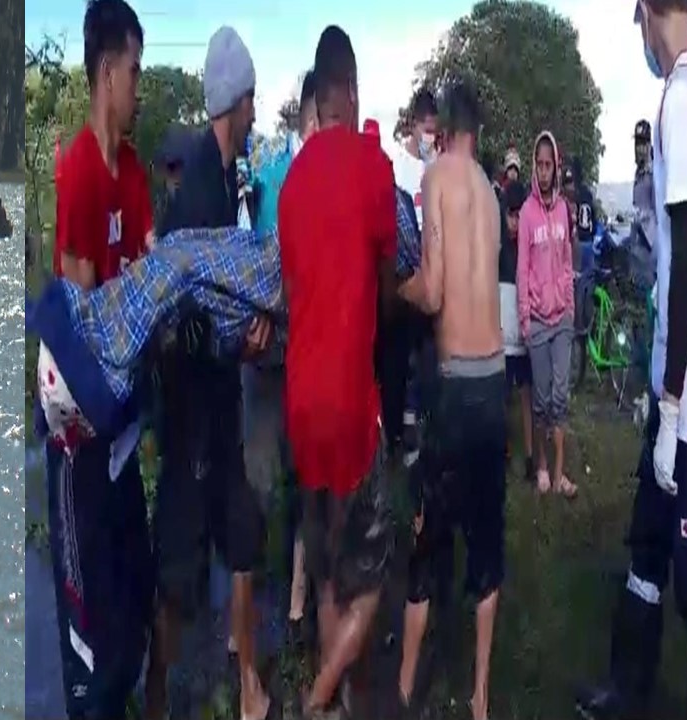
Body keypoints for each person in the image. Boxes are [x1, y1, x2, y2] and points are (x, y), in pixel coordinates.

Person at [577, 2, 687, 717]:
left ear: (653, 12)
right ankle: (626, 689)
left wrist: (675, 405)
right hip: (672, 383)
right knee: (646, 545)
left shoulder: (682, 101)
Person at [146, 24, 271, 720]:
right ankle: (157, 697)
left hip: (221, 405)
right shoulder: (196, 190)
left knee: (245, 541)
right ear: (237, 101)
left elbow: (225, 294)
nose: (256, 112)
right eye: (252, 100)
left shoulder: (226, 177)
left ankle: (251, 689)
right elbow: (180, 317)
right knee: (179, 578)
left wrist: (246, 331)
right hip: (193, 414)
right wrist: (237, 345)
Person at [278, 25, 397, 717]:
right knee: (375, 575)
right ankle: (319, 695)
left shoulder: (291, 184)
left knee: (326, 576)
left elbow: (297, 297)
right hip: (354, 408)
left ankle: (337, 706)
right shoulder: (372, 165)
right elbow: (385, 284)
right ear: (349, 92)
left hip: (301, 408)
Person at [44, 2, 155, 718]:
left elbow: (148, 277)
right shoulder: (80, 172)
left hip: (121, 441)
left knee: (134, 611)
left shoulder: (136, 175)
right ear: (109, 71)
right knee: (91, 664)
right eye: (136, 72)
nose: (139, 88)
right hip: (78, 444)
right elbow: (84, 323)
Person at [395, 80, 506, 720]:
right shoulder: (491, 192)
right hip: (493, 381)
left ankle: (406, 685)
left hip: (455, 384)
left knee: (428, 537)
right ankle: (481, 696)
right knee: (486, 543)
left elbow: (434, 292)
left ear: (444, 132)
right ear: (479, 131)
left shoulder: (437, 177)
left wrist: (393, 287)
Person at [249, 67, 319, 652]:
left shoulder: (294, 173)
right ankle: (253, 613)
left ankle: (295, 598)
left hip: (304, 350)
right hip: (271, 348)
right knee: (265, 479)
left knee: (298, 476)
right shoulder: (273, 176)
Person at [517, 130, 577, 497]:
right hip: (537, 322)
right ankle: (540, 466)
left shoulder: (564, 210)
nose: (543, 171)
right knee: (540, 402)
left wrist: (569, 305)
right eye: (538, 165)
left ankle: (558, 476)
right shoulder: (526, 213)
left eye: (548, 165)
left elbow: (568, 261)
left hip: (562, 320)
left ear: (557, 167)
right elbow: (522, 268)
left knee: (560, 397)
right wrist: (525, 317)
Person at [384, 88, 439, 469]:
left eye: (436, 131)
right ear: (414, 125)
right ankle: (399, 436)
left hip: (432, 273)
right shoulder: (398, 165)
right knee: (403, 358)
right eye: (427, 130)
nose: (431, 138)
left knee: (429, 357)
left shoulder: (434, 166)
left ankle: (422, 429)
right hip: (405, 276)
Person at [500, 180, 536, 481]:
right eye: (510, 215)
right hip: (501, 341)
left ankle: (530, 456)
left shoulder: (528, 249)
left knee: (526, 395)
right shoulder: (496, 248)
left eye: (518, 215)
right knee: (502, 399)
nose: (514, 221)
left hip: (523, 339)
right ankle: (504, 450)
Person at [634, 118, 658, 252]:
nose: (639, 148)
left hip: (652, 244)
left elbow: (658, 212)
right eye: (637, 143)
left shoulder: (655, 172)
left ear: (649, 144)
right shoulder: (638, 173)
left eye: (643, 143)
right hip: (639, 241)